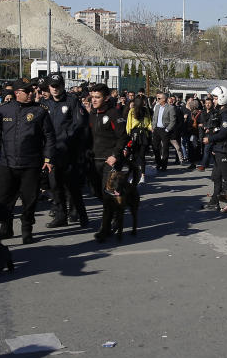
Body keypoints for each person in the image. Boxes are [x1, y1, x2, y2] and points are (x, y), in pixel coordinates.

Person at [0, 79, 56, 244]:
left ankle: (26, 230)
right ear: (17, 93)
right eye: (27, 91)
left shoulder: (40, 111)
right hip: (7, 163)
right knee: (4, 199)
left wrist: (48, 158)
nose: (31, 93)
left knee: (29, 199)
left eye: (31, 90)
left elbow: (49, 137)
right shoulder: (3, 110)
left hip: (31, 163)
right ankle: (6, 228)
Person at [41, 75, 89, 227]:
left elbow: (79, 124)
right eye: (52, 86)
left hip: (69, 151)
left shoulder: (71, 101)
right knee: (55, 186)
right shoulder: (44, 104)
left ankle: (79, 214)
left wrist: (67, 140)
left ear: (62, 86)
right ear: (48, 88)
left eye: (58, 85)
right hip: (52, 152)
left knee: (72, 186)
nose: (55, 88)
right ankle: (61, 216)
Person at [88, 83, 130, 239]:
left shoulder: (113, 114)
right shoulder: (92, 114)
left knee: (107, 195)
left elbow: (123, 137)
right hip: (94, 160)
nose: (94, 100)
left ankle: (105, 229)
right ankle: (115, 212)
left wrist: (115, 155)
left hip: (109, 161)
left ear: (106, 98)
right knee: (96, 191)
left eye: (97, 97)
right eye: (92, 97)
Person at [202, 86, 227, 210]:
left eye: (215, 98)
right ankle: (215, 201)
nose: (213, 100)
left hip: (225, 150)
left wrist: (210, 139)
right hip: (220, 149)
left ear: (222, 98)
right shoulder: (222, 111)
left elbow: (224, 132)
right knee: (216, 176)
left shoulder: (226, 113)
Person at [127, 93, 153, 182]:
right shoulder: (132, 111)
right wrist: (128, 134)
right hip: (135, 133)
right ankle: (133, 173)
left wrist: (150, 128)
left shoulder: (146, 111)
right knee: (134, 155)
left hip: (143, 133)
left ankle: (142, 174)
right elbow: (129, 123)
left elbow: (149, 121)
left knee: (142, 156)